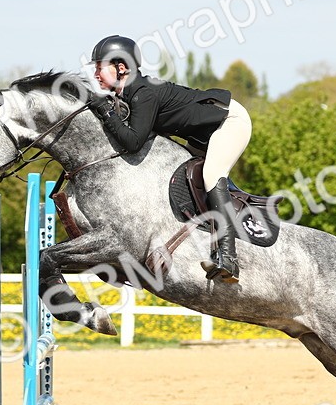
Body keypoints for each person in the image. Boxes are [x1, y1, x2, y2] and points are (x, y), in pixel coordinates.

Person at [88, 34, 252, 283]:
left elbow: (133, 142)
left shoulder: (143, 93)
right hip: (204, 134)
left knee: (211, 174)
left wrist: (103, 110)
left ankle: (228, 258)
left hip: (230, 121)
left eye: (101, 67)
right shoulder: (129, 93)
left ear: (121, 68)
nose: (97, 74)